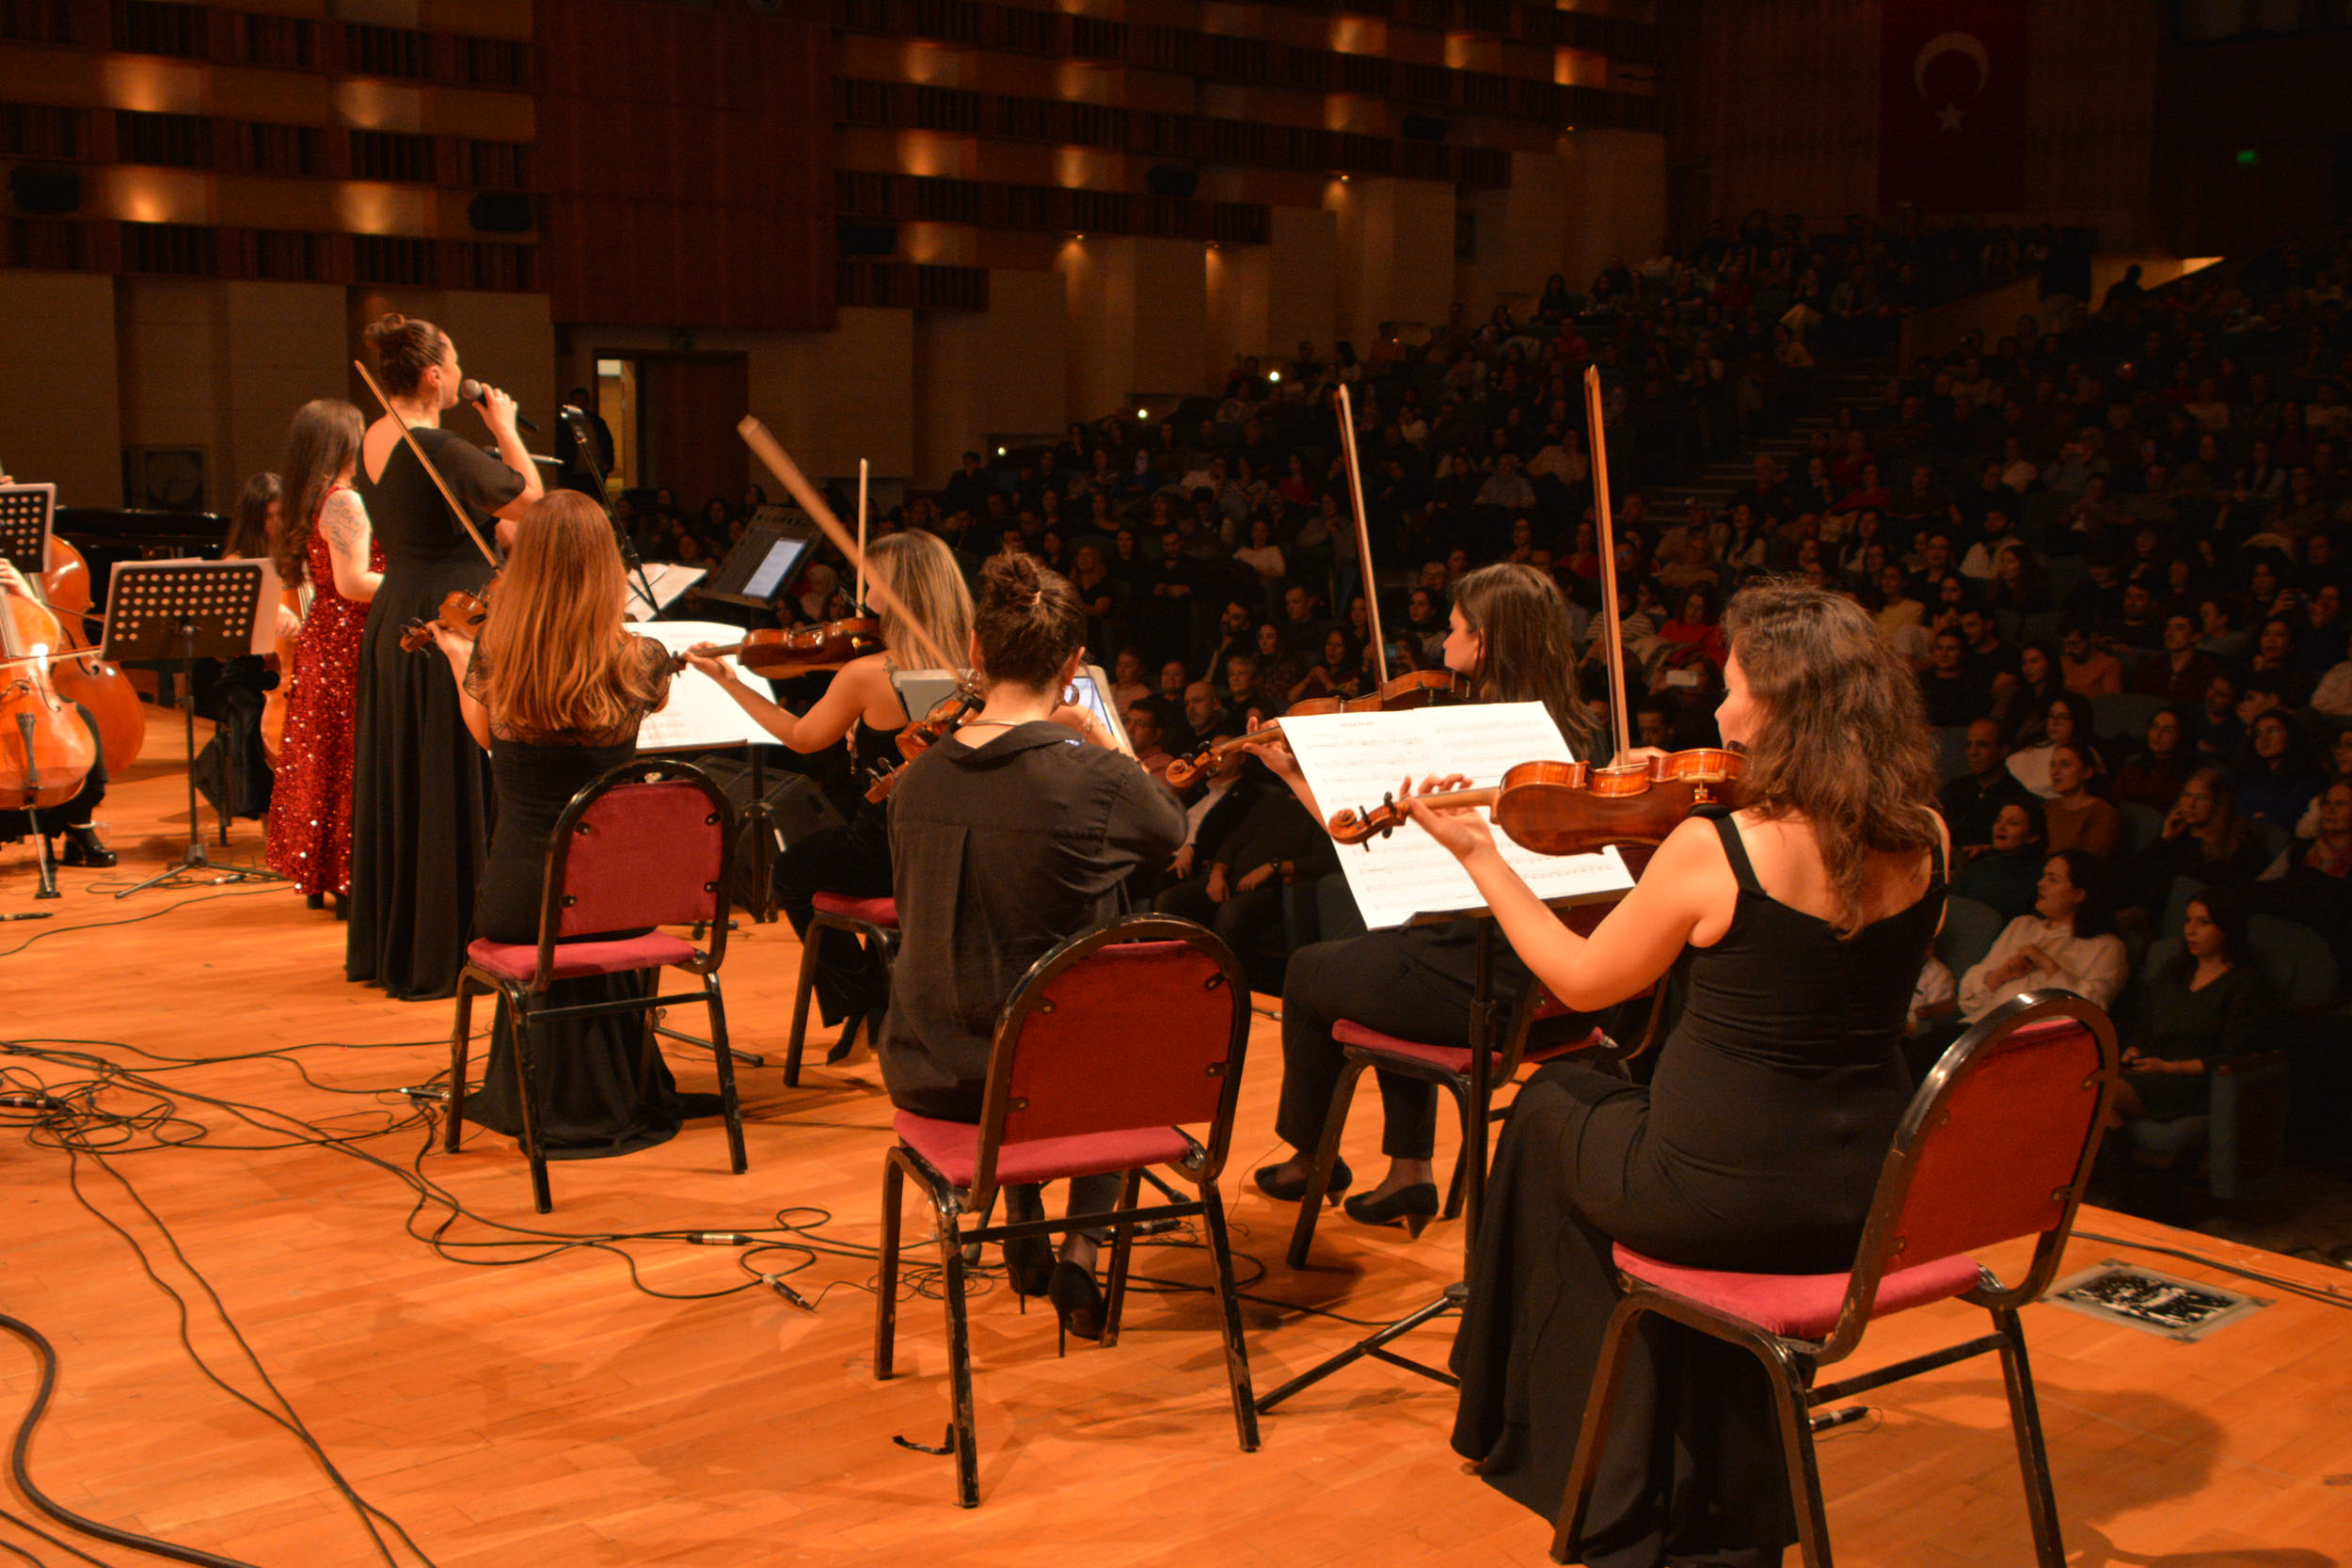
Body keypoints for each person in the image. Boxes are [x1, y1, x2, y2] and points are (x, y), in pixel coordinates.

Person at [1406, 579, 1947, 1562]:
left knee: (1554, 1100)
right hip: (1869, 1196)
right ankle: (1671, 1435)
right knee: (1600, 1112)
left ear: (1780, 704)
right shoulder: (1928, 840)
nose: (1717, 710)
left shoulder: (1715, 846)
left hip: (1718, 1195)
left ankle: (1575, 1446)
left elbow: (1577, 977)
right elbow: (1813, 961)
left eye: (1733, 688)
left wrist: (1481, 855)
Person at [881, 553, 1184, 1341]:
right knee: (1100, 955)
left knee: (1020, 936)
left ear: (976, 651)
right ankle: (1083, 1245)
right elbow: (1169, 831)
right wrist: (1098, 739)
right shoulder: (1095, 780)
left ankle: (1021, 1219)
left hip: (936, 1072)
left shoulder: (914, 784)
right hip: (1055, 1083)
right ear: (1075, 665)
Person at [1250, 563, 1600, 1235]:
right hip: (1556, 987)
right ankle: (1408, 1173)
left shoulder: (1469, 738)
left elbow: (1373, 841)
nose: (1442, 645)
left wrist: (1299, 776)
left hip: (1484, 986)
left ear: (1486, 641)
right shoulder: (1578, 732)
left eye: (1454, 628)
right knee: (1389, 954)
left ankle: (1308, 1157)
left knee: (1311, 971)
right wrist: (1298, 777)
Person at [423, 491, 709, 1155]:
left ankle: (537, 1090)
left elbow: (487, 736)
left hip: (525, 898)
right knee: (596, 915)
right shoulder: (640, 658)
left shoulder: (498, 651)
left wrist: (457, 657)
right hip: (620, 895)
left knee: (544, 916)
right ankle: (625, 1085)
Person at [684, 531, 974, 1053]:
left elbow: (801, 737)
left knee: (792, 871)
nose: (863, 593)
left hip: (885, 847)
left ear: (899, 590)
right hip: (953, 853)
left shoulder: (868, 673)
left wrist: (729, 681)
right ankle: (879, 993)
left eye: (874, 581)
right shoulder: (975, 669)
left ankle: (863, 991)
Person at [346, 312, 541, 1001]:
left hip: (400, 607)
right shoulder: (438, 444)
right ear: (434, 375)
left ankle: (400, 939)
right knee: (452, 770)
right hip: (451, 614)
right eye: (454, 363)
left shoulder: (375, 435)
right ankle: (452, 941)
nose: (461, 373)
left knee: (412, 774)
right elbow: (533, 505)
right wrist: (506, 429)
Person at [263, 401, 381, 909]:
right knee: (350, 753)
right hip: (349, 636)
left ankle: (326, 874)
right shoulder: (345, 502)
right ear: (346, 443)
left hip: (327, 635)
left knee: (329, 752)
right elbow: (354, 582)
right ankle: (348, 874)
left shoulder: (318, 498)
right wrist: (422, 585)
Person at [2105, 891, 2275, 1219]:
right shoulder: (2174, 972)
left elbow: (2234, 1053)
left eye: (2203, 923)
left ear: (2226, 929)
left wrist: (2171, 1068)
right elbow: (2144, 1023)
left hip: (2198, 1081)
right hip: (2152, 1070)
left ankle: (2122, 1204)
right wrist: (2136, 1049)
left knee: (2102, 1093)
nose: (2190, 931)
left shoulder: (2244, 983)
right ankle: (2124, 1200)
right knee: (2085, 1088)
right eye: (2187, 921)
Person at [1954, 849, 2128, 1024]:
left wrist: (2048, 966)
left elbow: (2090, 1012)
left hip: (2034, 1040)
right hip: (1979, 1026)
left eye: (2053, 879)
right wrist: (2000, 975)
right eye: (2043, 876)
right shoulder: (2022, 925)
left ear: (2079, 894)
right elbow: (1968, 1000)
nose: (2040, 884)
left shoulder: (2106, 947)